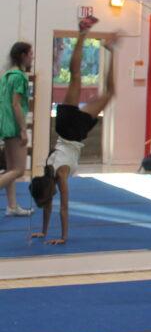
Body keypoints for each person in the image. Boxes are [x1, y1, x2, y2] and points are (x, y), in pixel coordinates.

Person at [29, 18, 120, 244]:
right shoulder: (47, 174)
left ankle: (100, 44)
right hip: (66, 128)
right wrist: (44, 232)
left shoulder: (59, 175)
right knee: (80, 78)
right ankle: (91, 39)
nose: (48, 203)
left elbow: (64, 209)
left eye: (46, 200)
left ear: (49, 191)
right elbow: (51, 207)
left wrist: (63, 237)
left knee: (106, 91)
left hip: (75, 131)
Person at [0, 41, 33, 216]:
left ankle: (12, 206)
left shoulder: (6, 75)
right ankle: (12, 206)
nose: (32, 57)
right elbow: (16, 104)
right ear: (23, 55)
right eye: (30, 54)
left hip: (5, 125)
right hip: (13, 126)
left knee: (11, 168)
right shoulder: (19, 76)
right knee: (19, 170)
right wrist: (22, 129)